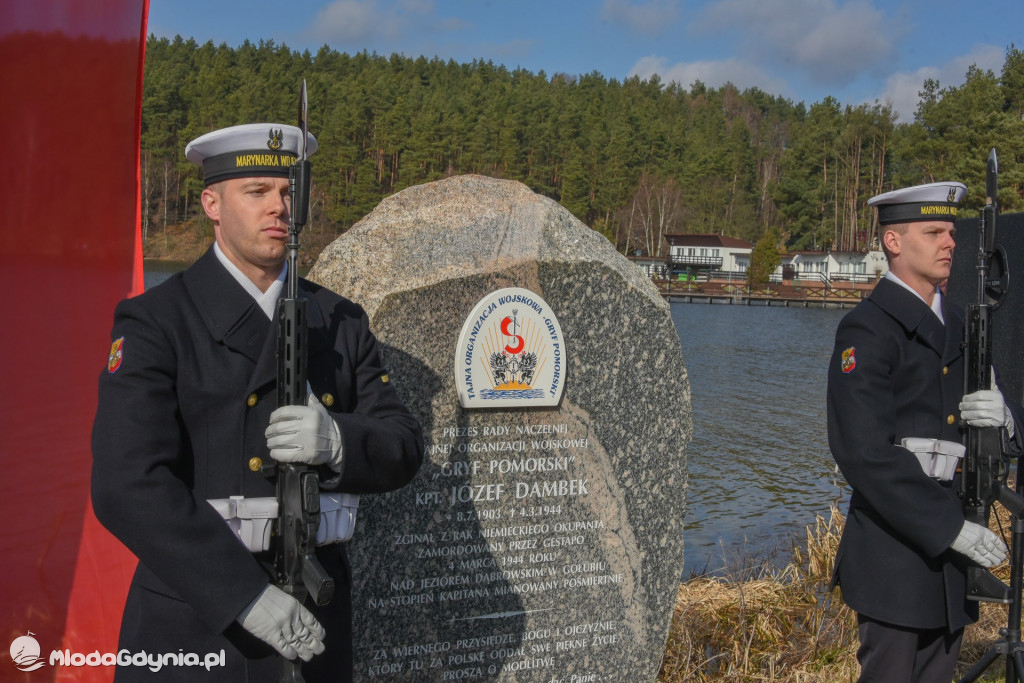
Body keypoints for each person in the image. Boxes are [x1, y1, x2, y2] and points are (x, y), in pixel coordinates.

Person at [91, 123, 424, 681]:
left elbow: (403, 444)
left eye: (290, 192)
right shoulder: (157, 321)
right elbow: (126, 484)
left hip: (316, 621)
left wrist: (339, 441)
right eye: (257, 191)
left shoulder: (338, 321)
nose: (279, 207)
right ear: (212, 204)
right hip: (197, 623)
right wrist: (244, 595)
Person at [827, 180, 1023, 682]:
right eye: (933, 230)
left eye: (951, 232)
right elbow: (864, 453)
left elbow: (980, 446)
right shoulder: (866, 329)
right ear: (894, 242)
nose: (949, 242)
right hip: (895, 557)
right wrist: (951, 529)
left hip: (953, 562)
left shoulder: (960, 324)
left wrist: (1003, 424)